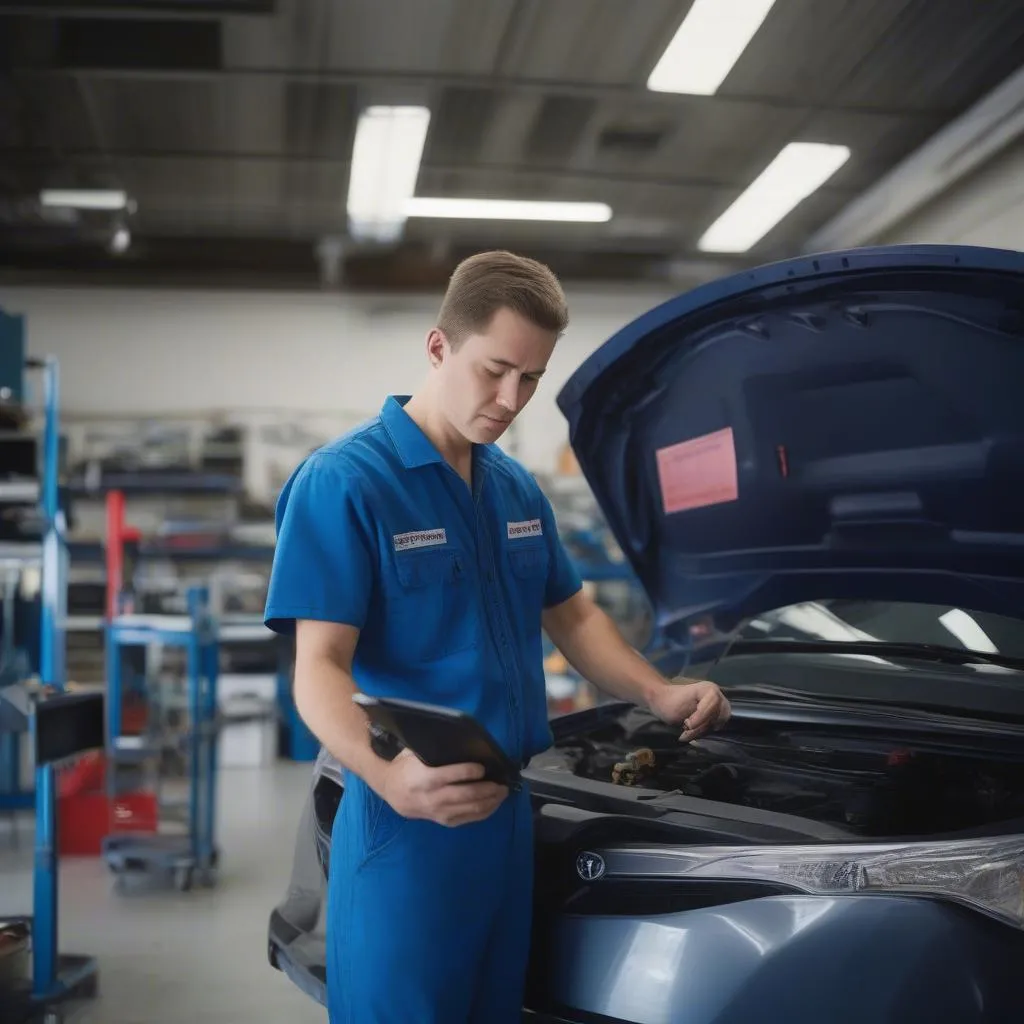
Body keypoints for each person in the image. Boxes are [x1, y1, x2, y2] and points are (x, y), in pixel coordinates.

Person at [263, 250, 731, 1024]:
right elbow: (317, 668)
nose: (512, 399)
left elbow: (573, 615)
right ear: (439, 347)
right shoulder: (346, 482)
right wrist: (390, 778)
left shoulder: (513, 486)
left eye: (533, 380)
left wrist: (659, 690)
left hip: (510, 815)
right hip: (406, 823)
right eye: (496, 370)